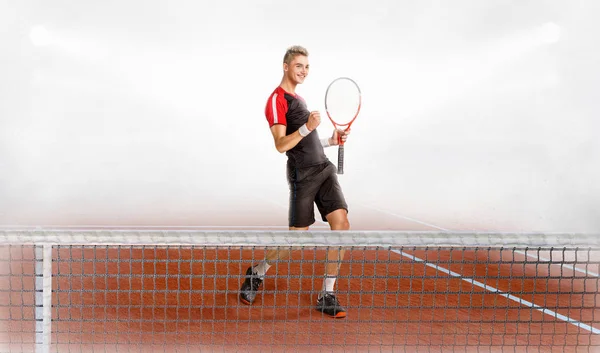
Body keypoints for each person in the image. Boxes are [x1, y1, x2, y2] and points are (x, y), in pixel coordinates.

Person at [238, 45, 351, 318]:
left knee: (342, 225)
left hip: (324, 169)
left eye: (307, 66)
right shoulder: (277, 100)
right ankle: (257, 272)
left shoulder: (298, 99)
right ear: (286, 66)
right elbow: (281, 145)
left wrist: (329, 141)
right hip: (302, 175)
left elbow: (307, 143)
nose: (304, 71)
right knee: (296, 240)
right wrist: (307, 127)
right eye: (299, 65)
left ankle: (327, 293)